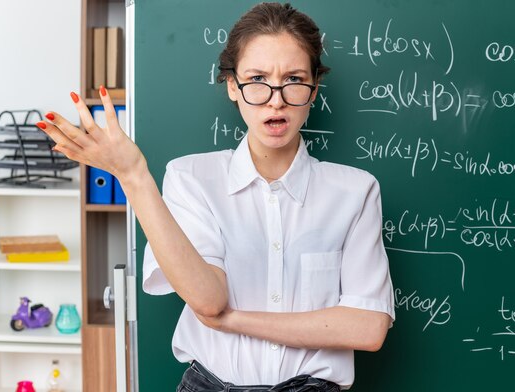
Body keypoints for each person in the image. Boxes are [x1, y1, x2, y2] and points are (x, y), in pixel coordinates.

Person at [37, 2, 394, 391]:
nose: (276, 99)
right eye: (257, 78)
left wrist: (233, 320)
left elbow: (369, 327)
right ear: (232, 86)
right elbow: (208, 298)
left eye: (293, 78)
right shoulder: (191, 178)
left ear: (313, 89)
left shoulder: (355, 191)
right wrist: (132, 175)